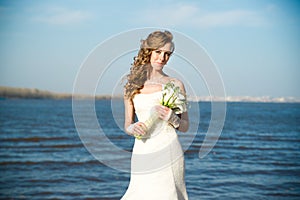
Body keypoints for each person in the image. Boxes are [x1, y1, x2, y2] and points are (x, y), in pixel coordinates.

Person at [121, 30, 189, 200]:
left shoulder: (176, 84)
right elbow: (127, 125)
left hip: (169, 149)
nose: (162, 58)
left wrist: (172, 118)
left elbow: (186, 126)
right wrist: (133, 127)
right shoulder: (132, 86)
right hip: (143, 150)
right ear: (148, 52)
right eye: (158, 52)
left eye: (167, 54)